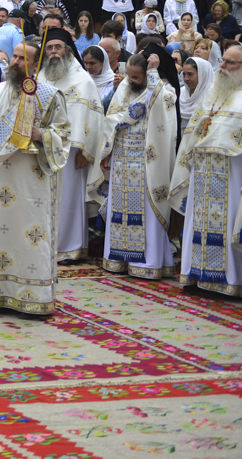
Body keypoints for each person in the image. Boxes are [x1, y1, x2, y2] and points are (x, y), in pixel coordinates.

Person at [0, 39, 71, 315]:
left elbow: (64, 135)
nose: (15, 63)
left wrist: (42, 135)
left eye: (21, 59)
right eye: (14, 57)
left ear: (36, 65)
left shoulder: (51, 95)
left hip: (33, 179)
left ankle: (33, 296)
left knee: (31, 233)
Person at [85, 53, 180, 279]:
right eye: (128, 75)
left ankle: (150, 263)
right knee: (120, 211)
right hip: (121, 161)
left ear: (148, 75)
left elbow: (162, 116)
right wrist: (107, 152)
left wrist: (154, 74)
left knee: (146, 213)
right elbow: (112, 118)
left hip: (148, 163)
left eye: (136, 77)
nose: (130, 80)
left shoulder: (165, 91)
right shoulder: (125, 86)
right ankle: (119, 259)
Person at [171, 45, 242, 296]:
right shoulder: (213, 93)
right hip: (203, 175)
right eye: (222, 61)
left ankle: (229, 281)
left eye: (230, 63)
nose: (221, 67)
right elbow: (194, 133)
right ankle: (198, 275)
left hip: (232, 177)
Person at [39, 29, 105, 263]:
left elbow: (93, 118)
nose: (54, 52)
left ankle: (70, 248)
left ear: (67, 50)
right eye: (50, 48)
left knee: (67, 201)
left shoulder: (83, 79)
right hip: (45, 150)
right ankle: (44, 246)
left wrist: (85, 152)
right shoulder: (41, 77)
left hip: (71, 154)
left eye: (58, 47)